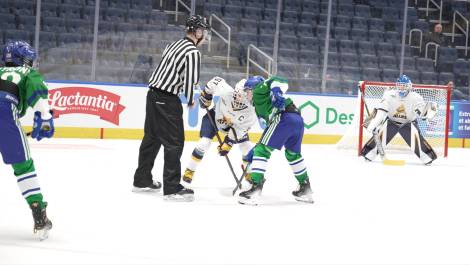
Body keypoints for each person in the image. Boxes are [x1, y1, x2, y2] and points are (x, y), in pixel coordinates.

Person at [132, 15, 210, 201]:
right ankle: (172, 187)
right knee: (175, 142)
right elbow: (191, 81)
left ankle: (142, 180)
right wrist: (192, 99)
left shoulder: (173, 44)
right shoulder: (192, 52)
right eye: (204, 31)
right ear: (197, 31)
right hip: (167, 99)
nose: (205, 35)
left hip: (153, 96)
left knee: (152, 138)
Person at [0, 40, 54, 240]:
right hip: (4, 113)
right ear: (21, 60)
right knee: (23, 168)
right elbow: (39, 97)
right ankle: (39, 214)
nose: (31, 63)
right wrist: (46, 118)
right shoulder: (27, 73)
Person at [237, 76, 313, 205]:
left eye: (247, 91)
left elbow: (278, 79)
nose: (246, 94)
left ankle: (255, 189)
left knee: (261, 151)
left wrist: (277, 91)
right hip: (297, 120)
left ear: (252, 89)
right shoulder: (259, 105)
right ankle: (305, 188)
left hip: (284, 118)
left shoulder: (258, 91)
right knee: (293, 154)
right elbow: (270, 131)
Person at [182, 76, 256, 187]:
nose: (243, 97)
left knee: (246, 147)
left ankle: (249, 172)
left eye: (250, 94)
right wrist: (207, 96)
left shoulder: (251, 111)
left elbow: (241, 129)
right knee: (204, 143)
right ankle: (190, 170)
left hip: (233, 128)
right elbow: (215, 81)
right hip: (214, 119)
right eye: (244, 93)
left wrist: (228, 143)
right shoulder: (227, 92)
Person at [360, 74, 438, 165]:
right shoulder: (389, 95)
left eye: (404, 86)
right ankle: (369, 154)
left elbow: (421, 113)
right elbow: (381, 112)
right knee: (381, 134)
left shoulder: (416, 97)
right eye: (400, 85)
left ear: (409, 86)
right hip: (391, 121)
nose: (402, 88)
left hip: (408, 123)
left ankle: (427, 157)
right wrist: (373, 124)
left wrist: (427, 114)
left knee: (416, 139)